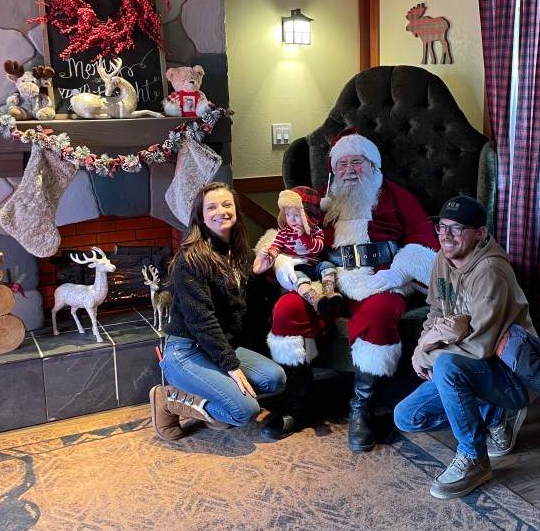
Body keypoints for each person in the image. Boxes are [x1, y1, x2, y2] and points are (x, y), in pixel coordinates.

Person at [262, 129, 438, 449]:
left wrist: (400, 271)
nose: (349, 170)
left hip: (379, 279)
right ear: (333, 169)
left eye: (356, 162)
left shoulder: (396, 196)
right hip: (325, 279)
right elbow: (289, 231)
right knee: (287, 310)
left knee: (380, 314)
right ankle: (300, 404)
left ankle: (362, 409)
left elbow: (424, 239)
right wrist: (285, 261)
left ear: (372, 164)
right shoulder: (318, 199)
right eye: (342, 164)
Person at [393, 194, 536, 500]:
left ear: (480, 233)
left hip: (509, 374)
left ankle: (474, 458)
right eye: (442, 227)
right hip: (467, 367)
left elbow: (481, 347)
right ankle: (493, 417)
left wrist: (429, 354)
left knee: (446, 367)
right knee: (406, 416)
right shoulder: (442, 259)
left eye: (457, 229)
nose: (446, 236)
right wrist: (422, 346)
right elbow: (435, 311)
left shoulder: (492, 272)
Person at [149, 181, 287, 442]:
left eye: (226, 205)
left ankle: (215, 397)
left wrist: (257, 274)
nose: (221, 211)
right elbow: (202, 320)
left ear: (235, 210)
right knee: (244, 412)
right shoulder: (191, 259)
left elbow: (242, 308)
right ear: (201, 216)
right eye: (211, 207)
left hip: (219, 345)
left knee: (275, 379)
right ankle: (167, 400)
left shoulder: (237, 252)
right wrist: (232, 367)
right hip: (187, 351)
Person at [252, 186, 343, 315]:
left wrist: (305, 237)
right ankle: (314, 298)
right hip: (297, 268)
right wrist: (271, 252)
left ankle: (329, 292)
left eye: (296, 215)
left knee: (328, 266)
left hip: (314, 267)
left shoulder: (316, 231)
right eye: (288, 215)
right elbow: (277, 246)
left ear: (308, 216)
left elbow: (318, 247)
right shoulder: (285, 233)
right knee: (296, 279)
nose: (292, 219)